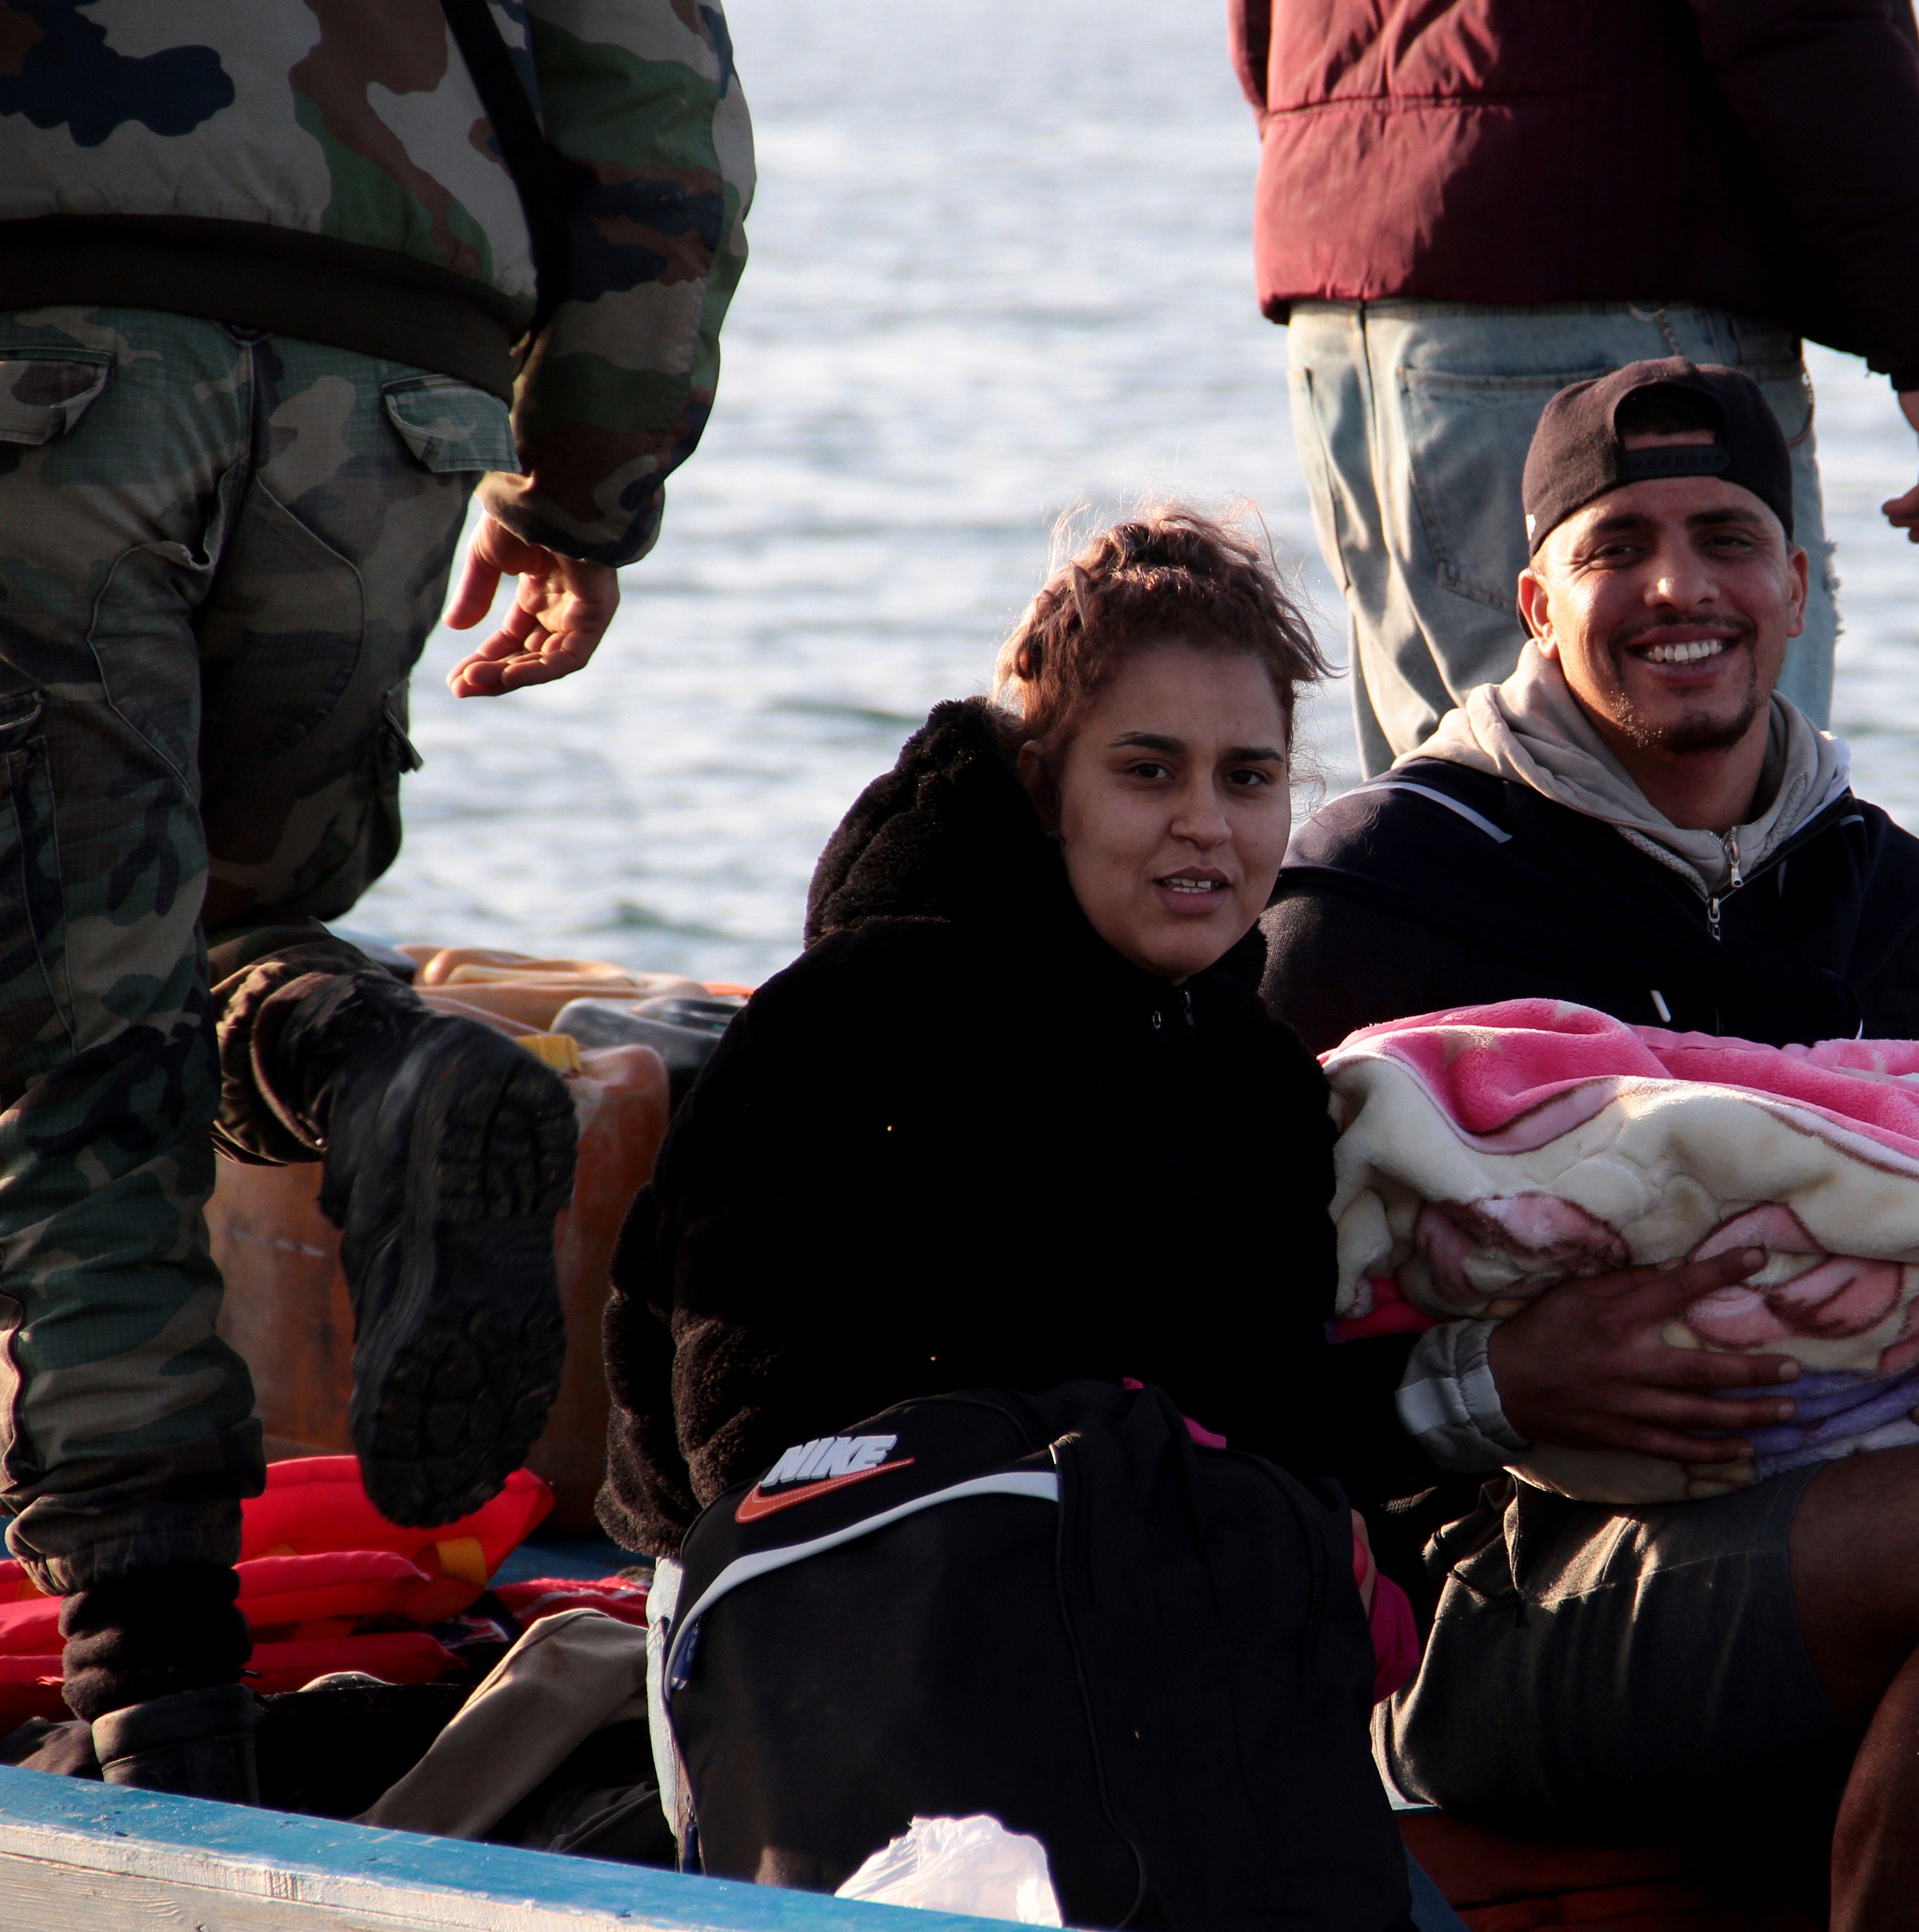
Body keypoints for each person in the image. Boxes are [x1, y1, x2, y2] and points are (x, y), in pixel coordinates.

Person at [1262, 363, 1919, 1931]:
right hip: (1482, 1604)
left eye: (1727, 537)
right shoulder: (1385, 892)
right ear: (1535, 601)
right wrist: (1492, 1387)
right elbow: (1193, 1341)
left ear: (1797, 588)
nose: (1678, 587)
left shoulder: (1892, 908)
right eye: (1617, 545)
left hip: (1863, 1566)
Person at [0, 1, 751, 1798]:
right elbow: (659, 89)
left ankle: (153, 1697)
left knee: (71, 1037)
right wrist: (582, 488)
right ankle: (367, 1071)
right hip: (392, 366)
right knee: (207, 932)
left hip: (51, 327)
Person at [598, 510, 1441, 1812]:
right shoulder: (868, 1010)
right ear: (1047, 788)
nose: (1205, 827)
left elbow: (1274, 1418)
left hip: (1158, 1643)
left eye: (1248, 777)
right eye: (1147, 773)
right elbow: (748, 1452)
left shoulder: (1255, 1074)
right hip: (820, 1655)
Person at [1230, 0, 1919, 773]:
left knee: (1448, 840)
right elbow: (1791, 19)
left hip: (1344, 278)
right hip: (1594, 255)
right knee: (1702, 821)